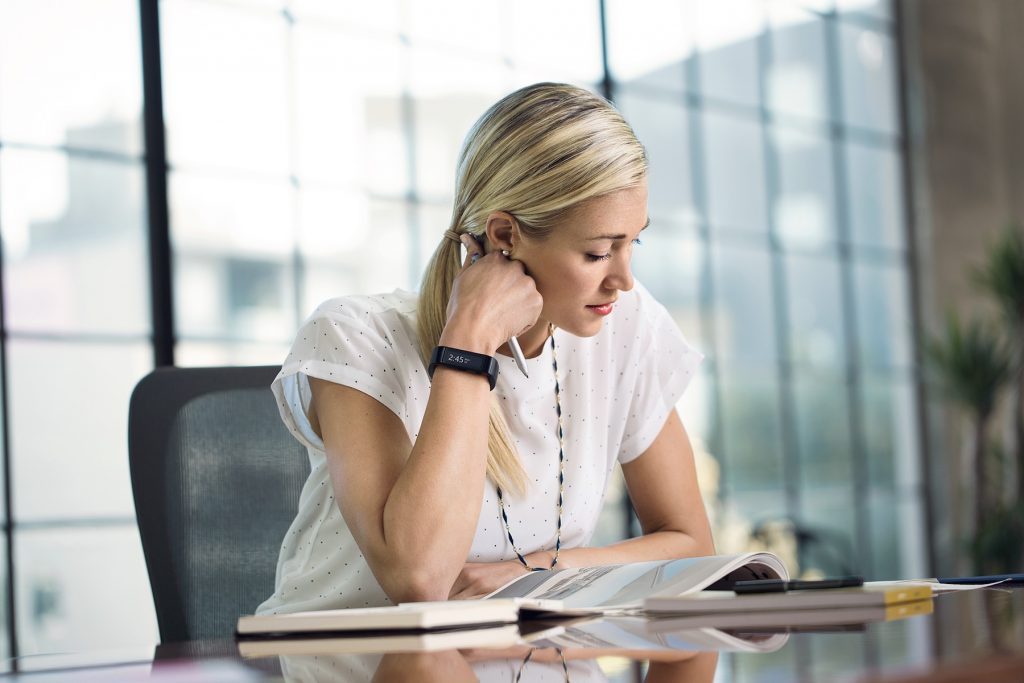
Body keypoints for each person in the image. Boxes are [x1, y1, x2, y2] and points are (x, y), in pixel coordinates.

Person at [257, 82, 713, 616]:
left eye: (632, 243)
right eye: (596, 253)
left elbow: (689, 545)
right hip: (359, 664)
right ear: (504, 235)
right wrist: (468, 344)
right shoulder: (355, 337)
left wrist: (542, 571)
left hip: (530, 656)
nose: (624, 280)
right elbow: (418, 578)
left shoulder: (628, 328)